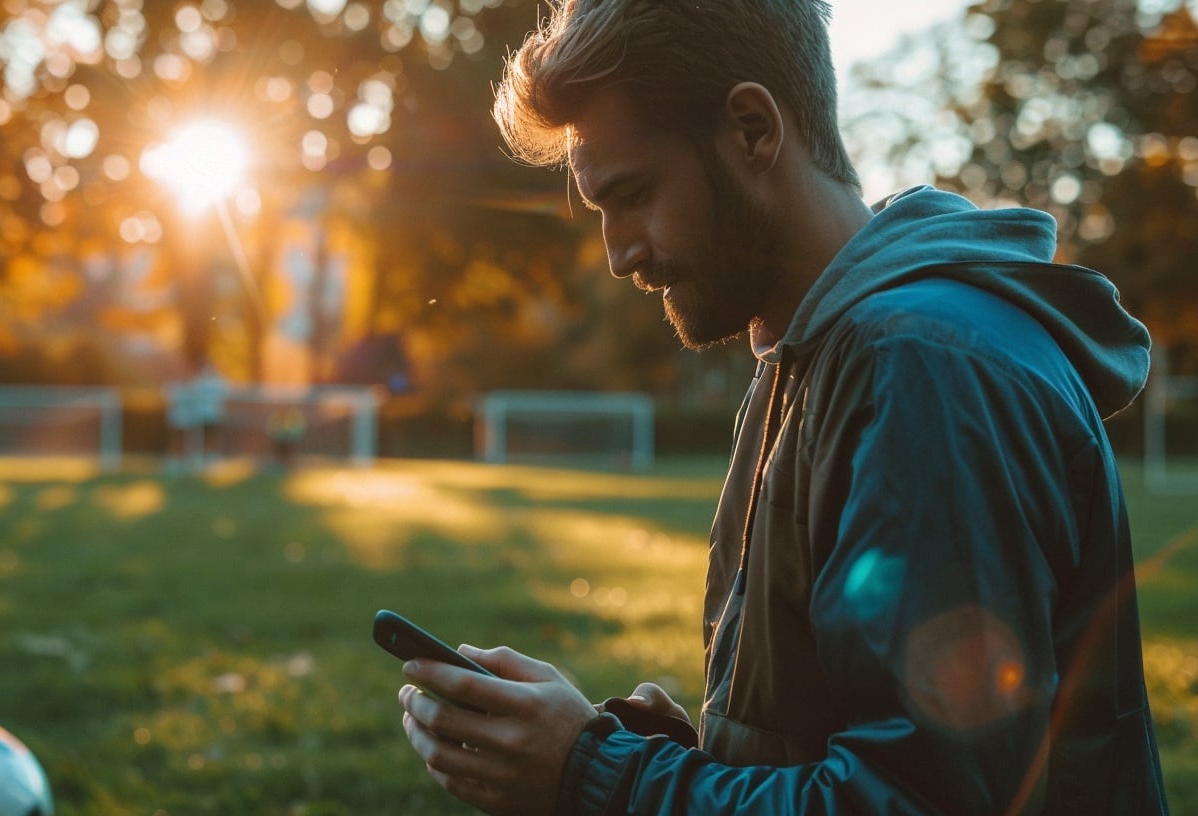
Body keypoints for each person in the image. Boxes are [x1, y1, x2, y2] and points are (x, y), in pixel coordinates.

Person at [394, 1, 1170, 813]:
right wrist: (649, 755)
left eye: (634, 194)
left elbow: (919, 800)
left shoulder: (923, 369)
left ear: (754, 130)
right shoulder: (812, 363)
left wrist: (601, 777)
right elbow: (839, 745)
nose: (619, 253)